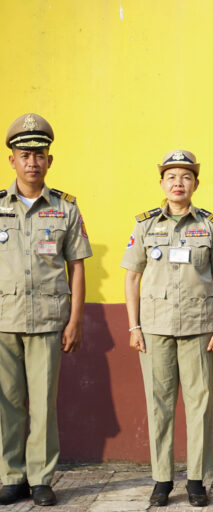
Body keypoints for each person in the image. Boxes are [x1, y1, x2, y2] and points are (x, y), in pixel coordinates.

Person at [121, 150, 213, 507]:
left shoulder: (211, 225)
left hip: (200, 328)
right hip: (155, 328)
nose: (178, 183)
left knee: (200, 405)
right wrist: (134, 326)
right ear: (161, 183)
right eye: (171, 177)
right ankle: (162, 480)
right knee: (159, 405)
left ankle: (197, 480)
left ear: (195, 184)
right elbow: (132, 277)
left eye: (185, 177)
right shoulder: (145, 225)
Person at [0, 113, 92, 506]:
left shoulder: (65, 209)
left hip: (48, 321)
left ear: (49, 160)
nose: (32, 162)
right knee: (6, 403)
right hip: (3, 320)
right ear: (12, 161)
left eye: (39, 154)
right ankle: (11, 476)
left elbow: (77, 266)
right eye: (25, 155)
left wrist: (75, 320)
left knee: (43, 403)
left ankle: (40, 479)